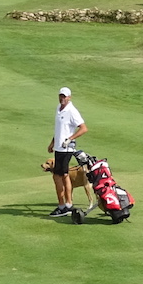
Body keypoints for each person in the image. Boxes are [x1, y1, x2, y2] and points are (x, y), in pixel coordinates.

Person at [47, 86, 87, 216]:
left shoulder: (72, 111)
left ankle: (64, 205)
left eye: (64, 96)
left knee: (59, 175)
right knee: (63, 175)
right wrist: (53, 143)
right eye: (61, 96)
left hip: (66, 149)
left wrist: (70, 139)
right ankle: (66, 205)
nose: (62, 98)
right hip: (58, 148)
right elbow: (59, 130)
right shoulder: (58, 109)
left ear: (69, 97)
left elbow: (83, 128)